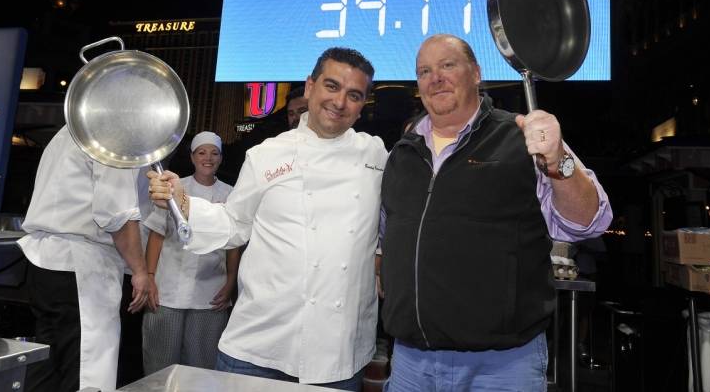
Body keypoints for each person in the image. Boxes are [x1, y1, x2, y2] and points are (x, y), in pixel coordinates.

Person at [379, 34, 613, 391]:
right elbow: (387, 237)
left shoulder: (522, 136)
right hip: (412, 363)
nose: (435, 77)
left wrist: (558, 162)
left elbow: (588, 222)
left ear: (476, 73)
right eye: (424, 71)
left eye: (447, 65)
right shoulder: (402, 153)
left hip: (501, 367)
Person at [148, 47, 388, 390]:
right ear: (310, 86)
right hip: (258, 346)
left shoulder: (376, 154)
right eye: (331, 87)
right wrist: (182, 202)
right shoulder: (266, 155)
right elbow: (234, 225)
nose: (339, 102)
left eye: (354, 95)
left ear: (363, 104)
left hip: (337, 351)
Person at [17, 125, 149, 392]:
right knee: (86, 371)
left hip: (47, 264)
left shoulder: (69, 130)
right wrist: (140, 270)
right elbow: (117, 215)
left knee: (49, 368)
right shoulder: (113, 134)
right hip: (79, 267)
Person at [141, 131, 237, 374]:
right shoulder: (175, 187)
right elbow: (157, 233)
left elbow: (234, 244)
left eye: (214, 153)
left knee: (202, 368)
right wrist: (150, 277)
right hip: (167, 289)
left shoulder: (231, 193)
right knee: (160, 365)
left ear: (221, 158)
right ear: (192, 157)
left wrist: (231, 282)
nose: (208, 158)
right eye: (202, 153)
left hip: (210, 291)